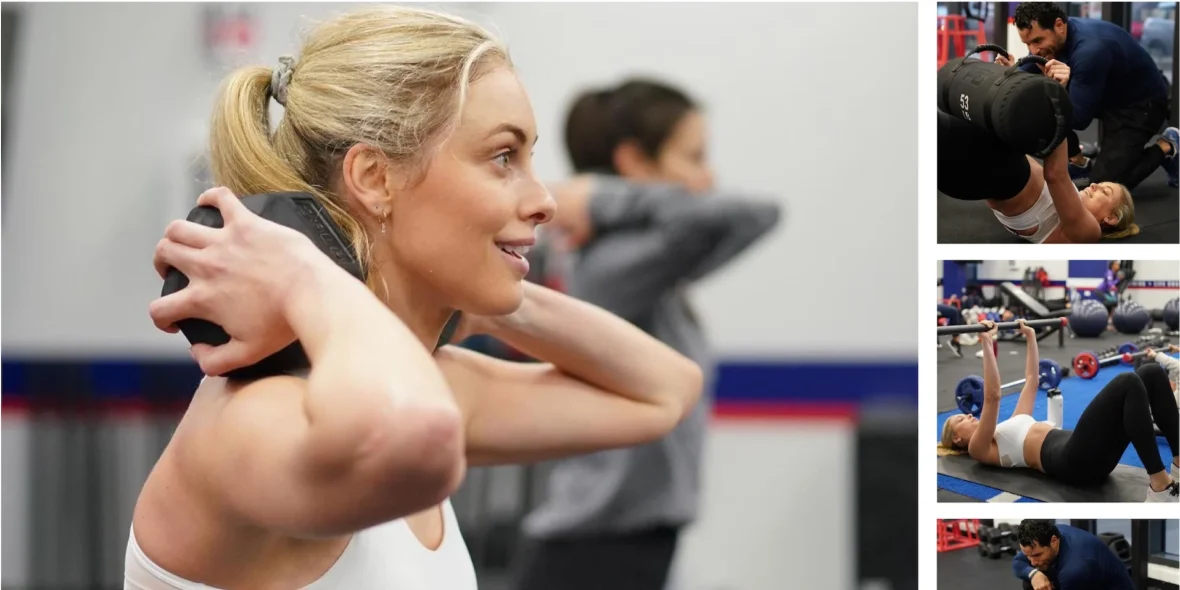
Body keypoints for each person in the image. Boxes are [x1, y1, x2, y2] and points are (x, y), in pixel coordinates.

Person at [127, 7, 706, 589]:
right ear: (376, 179)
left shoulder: (420, 385)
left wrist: (492, 303)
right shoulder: (255, 421)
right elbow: (418, 437)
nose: (544, 200)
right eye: (504, 157)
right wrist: (308, 276)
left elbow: (666, 392)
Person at [509, 79, 782, 590]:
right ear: (635, 161)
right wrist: (610, 198)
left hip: (623, 540)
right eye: (695, 156)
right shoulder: (615, 265)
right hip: (596, 550)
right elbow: (749, 213)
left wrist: (607, 199)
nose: (708, 175)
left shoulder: (652, 264)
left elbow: (750, 220)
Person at [939, 320, 1179, 502]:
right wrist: (986, 343)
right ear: (957, 438)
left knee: (1152, 373)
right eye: (960, 418)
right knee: (1127, 382)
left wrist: (1030, 336)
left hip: (1090, 453)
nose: (969, 414)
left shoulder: (1010, 424)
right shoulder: (978, 448)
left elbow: (1032, 380)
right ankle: (1159, 487)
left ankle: (1178, 467)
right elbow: (992, 397)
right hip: (1072, 461)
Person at [999, 3, 1179, 189]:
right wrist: (1013, 71)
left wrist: (1058, 87)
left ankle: (1168, 145)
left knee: (1104, 185)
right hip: (1107, 95)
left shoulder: (1090, 51)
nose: (1034, 50)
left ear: (1059, 25)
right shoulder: (1055, 37)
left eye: (1037, 41)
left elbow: (1078, 119)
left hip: (1140, 106)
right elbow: (1029, 67)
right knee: (1042, 102)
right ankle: (1077, 160)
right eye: (1027, 44)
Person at [938, 110, 1138, 243]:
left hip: (990, 166)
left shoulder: (1089, 232)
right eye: (1100, 184)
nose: (1094, 185)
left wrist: (1057, 107)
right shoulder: (1072, 206)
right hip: (981, 170)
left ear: (1110, 218)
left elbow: (1055, 175)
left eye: (1105, 191)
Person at [1011, 520, 1134, 590]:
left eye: (1037, 555)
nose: (1032, 562)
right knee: (1031, 581)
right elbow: (1017, 563)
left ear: (1054, 542)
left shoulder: (1074, 570)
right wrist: (1034, 574)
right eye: (1028, 555)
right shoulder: (1043, 538)